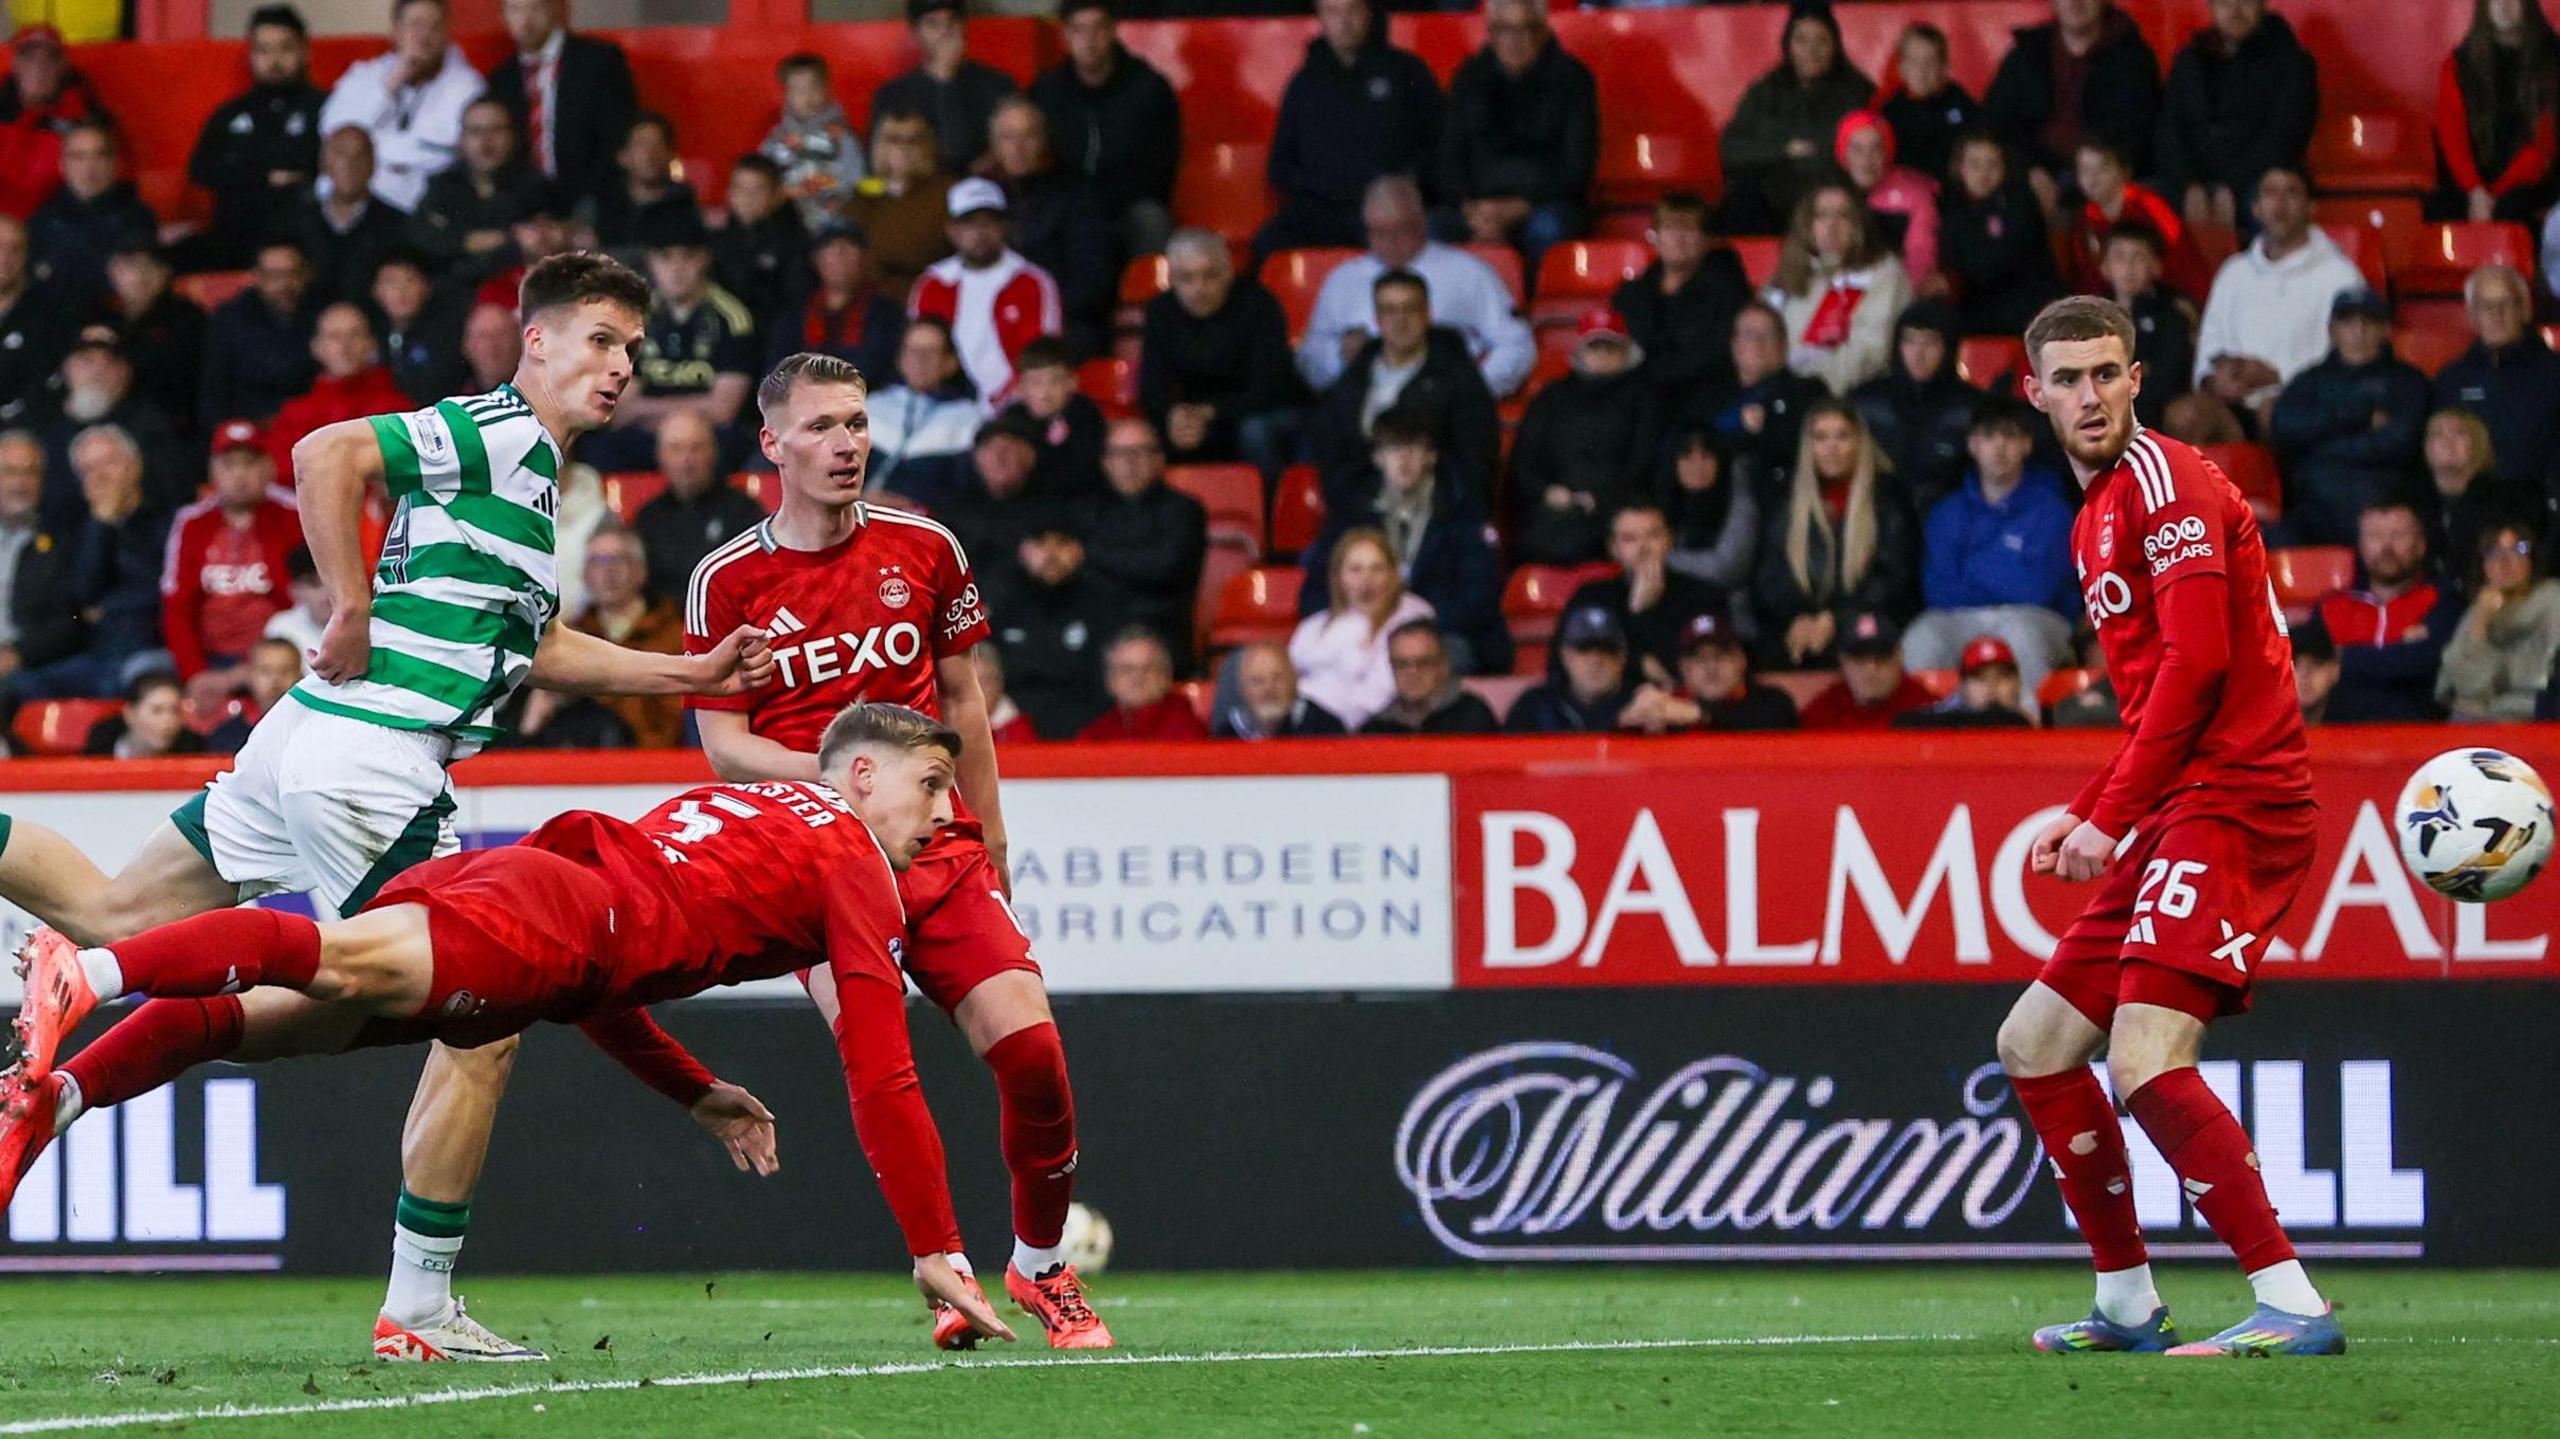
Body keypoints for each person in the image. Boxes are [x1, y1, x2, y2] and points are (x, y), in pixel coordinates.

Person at [0, 252, 775, 1363]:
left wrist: (686, 676)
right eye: (601, 339)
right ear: (536, 339)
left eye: (633, 350)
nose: (621, 366)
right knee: (480, 1023)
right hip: (378, 757)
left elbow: (537, 643)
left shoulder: (530, 481)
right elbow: (327, 451)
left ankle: (68, 1068)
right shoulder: (499, 429)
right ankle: (416, 1305)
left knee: (130, 916)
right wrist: (349, 603)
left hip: (309, 734)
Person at [0, 701, 1015, 1354]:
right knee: (332, 959)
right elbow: (881, 1066)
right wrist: (937, 1245)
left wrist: (691, 1087)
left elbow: (598, 977)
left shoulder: (762, 808)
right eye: (930, 783)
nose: (944, 811)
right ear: (861, 774)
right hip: (552, 914)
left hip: (539, 895)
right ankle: (87, 970)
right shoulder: (856, 863)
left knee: (282, 1021)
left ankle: (57, 1097)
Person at [674, 355, 1108, 1349]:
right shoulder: (726, 578)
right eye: (821, 426)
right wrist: (850, 780)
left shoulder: (925, 546)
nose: (846, 445)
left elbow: (963, 702)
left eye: (857, 423)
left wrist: (992, 835)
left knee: (1034, 1052)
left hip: (937, 845)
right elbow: (725, 744)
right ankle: (949, 1271)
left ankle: (1041, 1263)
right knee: (880, 1057)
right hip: (815, 857)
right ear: (772, 443)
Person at [2000, 294, 2341, 1359]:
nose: (2089, 395)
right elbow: (2156, 704)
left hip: (2237, 798)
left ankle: (2292, 1301)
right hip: (2178, 800)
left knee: (2146, 1054)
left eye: (2106, 372)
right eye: (2068, 378)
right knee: (2035, 1044)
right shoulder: (2092, 514)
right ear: (2034, 392)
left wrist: (2111, 816)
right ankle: (2125, 1303)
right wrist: (2093, 806)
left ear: (2137, 378)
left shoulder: (2168, 483)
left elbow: (2199, 668)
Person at [1299, 406, 1509, 675]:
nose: (1403, 458)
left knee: (1432, 658)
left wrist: (1410, 626)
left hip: (1441, 633)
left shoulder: (1463, 514)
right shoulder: (1350, 516)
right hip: (1364, 633)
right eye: (1393, 448)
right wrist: (1364, 624)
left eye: (1414, 448)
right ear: (1378, 457)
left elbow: (1479, 598)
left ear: (1431, 456)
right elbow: (1315, 593)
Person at [1298, 177, 1535, 400]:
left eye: (1399, 230)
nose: (1389, 242)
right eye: (1378, 232)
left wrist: (1469, 390)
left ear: (1421, 223)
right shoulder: (1342, 280)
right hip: (1361, 403)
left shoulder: (1469, 272)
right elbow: (1311, 353)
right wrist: (1340, 358)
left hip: (1442, 404)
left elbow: (1516, 344)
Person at [1902, 399, 2077, 699]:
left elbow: (2038, 591)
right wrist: (2007, 566)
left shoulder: (2052, 511)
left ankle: (2026, 722)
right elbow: (1938, 591)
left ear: (2026, 445)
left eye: (2010, 436)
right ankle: (1929, 726)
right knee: (1922, 637)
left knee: (2021, 634)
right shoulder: (1947, 513)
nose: (1999, 447)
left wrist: (1971, 566)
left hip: (2036, 618)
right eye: (1988, 436)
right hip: (1959, 618)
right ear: (1973, 445)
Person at [2178, 167, 2363, 444]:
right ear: (2256, 208)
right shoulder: (2234, 272)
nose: (2280, 204)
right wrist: (2215, 379)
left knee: (2274, 415)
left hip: (2303, 402)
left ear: (2310, 207)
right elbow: (2211, 343)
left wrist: (2277, 376)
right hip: (2235, 404)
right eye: (2270, 193)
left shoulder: (2340, 276)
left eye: (2291, 193)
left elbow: (2353, 355)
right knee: (2185, 416)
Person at [1256, 0, 1442, 259]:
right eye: (1333, 12)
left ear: (1369, 13)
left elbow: (1440, 147)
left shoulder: (1408, 72)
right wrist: (1323, 189)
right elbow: (1281, 166)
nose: (1344, 22)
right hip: (1321, 211)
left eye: (1353, 10)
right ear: (1320, 17)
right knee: (1269, 242)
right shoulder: (1304, 84)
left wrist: (1404, 185)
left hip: (1392, 208)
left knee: (1430, 230)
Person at [1305, 268, 1502, 507]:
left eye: (1410, 308)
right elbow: (1333, 454)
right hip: (1360, 507)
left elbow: (1475, 461)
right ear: (1377, 319)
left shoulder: (1459, 379)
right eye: (1389, 310)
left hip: (1437, 510)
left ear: (1427, 314)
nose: (1400, 320)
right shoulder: (1354, 378)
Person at [1752, 398, 1919, 670]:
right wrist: (1799, 617)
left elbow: (1894, 579)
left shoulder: (1888, 498)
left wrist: (1836, 618)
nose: (1832, 448)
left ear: (1859, 442)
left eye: (1842, 436)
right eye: (1820, 438)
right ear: (1808, 446)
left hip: (1868, 617)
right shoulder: (1787, 501)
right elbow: (1771, 574)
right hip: (1804, 621)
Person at [1435, 0, 1596, 271]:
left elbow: (1576, 168)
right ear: (1491, 32)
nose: (1515, 40)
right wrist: (1472, 210)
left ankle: (1535, 298)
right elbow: (1449, 156)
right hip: (1478, 207)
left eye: (1526, 29)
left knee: (1547, 229)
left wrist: (1519, 207)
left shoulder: (1573, 80)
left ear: (1543, 31)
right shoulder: (1469, 78)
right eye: (1505, 29)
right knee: (1433, 228)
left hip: (1544, 204)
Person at [596, 214, 758, 471]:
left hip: (710, 436)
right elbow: (621, 410)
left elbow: (724, 409)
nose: (676, 268)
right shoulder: (632, 318)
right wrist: (692, 408)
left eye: (687, 257)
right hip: (647, 437)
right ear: (651, 262)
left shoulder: (733, 319)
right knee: (602, 447)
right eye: (666, 257)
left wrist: (648, 411)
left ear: (704, 259)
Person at [2268, 288, 2429, 547]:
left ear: (2385, 330)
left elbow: (2399, 444)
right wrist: (2358, 417)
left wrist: (2317, 446)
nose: (2358, 331)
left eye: (2369, 322)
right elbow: (2284, 429)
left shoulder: (2408, 382)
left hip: (2382, 508)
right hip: (2314, 511)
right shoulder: (2308, 381)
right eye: (2348, 322)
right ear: (2332, 330)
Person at [1138, 228, 1301, 476]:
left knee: (1254, 430)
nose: (1199, 288)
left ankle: (1270, 499)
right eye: (1187, 278)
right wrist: (1174, 415)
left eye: (1210, 276)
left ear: (1228, 272)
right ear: (1171, 278)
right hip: (1196, 415)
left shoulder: (1259, 304)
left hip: (1261, 412)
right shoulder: (1160, 311)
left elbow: (1269, 388)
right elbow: (1152, 386)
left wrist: (1207, 412)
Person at [161, 419, 304, 698]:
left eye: (249, 463)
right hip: (207, 661)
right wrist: (195, 673)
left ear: (268, 467)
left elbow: (306, 599)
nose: (239, 475)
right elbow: (177, 608)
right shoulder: (192, 523)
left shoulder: (293, 515)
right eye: (228, 464)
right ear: (212, 470)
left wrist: (246, 671)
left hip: (279, 658)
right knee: (143, 671)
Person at [1508, 308, 1661, 567]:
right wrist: (1546, 492)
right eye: (1594, 347)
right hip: (1555, 509)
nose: (1602, 355)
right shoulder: (1551, 397)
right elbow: (1525, 459)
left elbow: (1643, 464)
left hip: (1616, 510)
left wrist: (1601, 499)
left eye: (1610, 348)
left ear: (1625, 352)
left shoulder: (1645, 400)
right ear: (1581, 351)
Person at [1028, 0, 1181, 259]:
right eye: (1079, 30)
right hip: (1065, 205)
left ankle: (1149, 287)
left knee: (1151, 220)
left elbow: (1160, 169)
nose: (1089, 40)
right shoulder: (1046, 92)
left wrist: (1100, 202)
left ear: (1113, 31)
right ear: (1065, 35)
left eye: (1097, 28)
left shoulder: (1149, 89)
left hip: (1127, 206)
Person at [2155, 0, 2319, 237]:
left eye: (2245, 2)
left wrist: (2230, 187)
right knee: (2139, 203)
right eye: (2225, 3)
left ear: (2261, 6)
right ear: (2212, 8)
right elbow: (2168, 132)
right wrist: (2189, 185)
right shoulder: (2189, 60)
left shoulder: (2293, 63)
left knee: (2273, 207)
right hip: (2191, 183)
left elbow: (2284, 140)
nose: (2235, 11)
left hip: (2255, 181)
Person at [185, 5, 327, 269]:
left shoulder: (327, 109)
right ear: (251, 56)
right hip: (236, 236)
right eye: (263, 50)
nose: (274, 60)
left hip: (303, 237)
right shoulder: (230, 113)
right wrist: (266, 177)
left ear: (305, 52)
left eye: (285, 48)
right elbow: (201, 169)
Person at [1719, 2, 1875, 236]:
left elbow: (1869, 155)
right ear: (1788, 45)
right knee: (1741, 197)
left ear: (1835, 45)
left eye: (1821, 41)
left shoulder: (1859, 92)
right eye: (1802, 40)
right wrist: (1785, 149)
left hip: (1833, 201)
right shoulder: (1765, 91)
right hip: (1772, 203)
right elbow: (1731, 151)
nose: (1811, 50)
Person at [909, 179, 1061, 413]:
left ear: (1005, 227)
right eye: (969, 223)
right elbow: (919, 353)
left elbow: (1040, 358)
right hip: (942, 408)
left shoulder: (1032, 281)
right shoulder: (933, 283)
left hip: (1017, 409)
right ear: (952, 230)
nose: (980, 232)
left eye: (990, 222)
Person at [318, 0, 483, 214]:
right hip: (359, 195)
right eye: (416, 24)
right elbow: (334, 133)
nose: (425, 35)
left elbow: (443, 151)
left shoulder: (467, 85)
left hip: (424, 199)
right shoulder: (365, 74)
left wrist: (373, 149)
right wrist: (393, 83)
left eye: (435, 25)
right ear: (396, 31)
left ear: (446, 33)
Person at [1980, 0, 2162, 194]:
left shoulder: (2133, 58)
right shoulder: (2027, 53)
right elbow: (1994, 124)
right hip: (2033, 174)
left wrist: (2091, 175)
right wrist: (2028, 171)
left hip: (2106, 177)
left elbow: (2138, 136)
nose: (2074, 2)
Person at [482, 0, 638, 210]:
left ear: (554, 9)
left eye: (535, 7)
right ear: (503, 18)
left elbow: (619, 135)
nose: (525, 20)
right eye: (515, 10)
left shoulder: (599, 60)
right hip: (525, 206)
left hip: (593, 200)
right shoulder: (501, 79)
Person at [2314, 499, 2460, 722]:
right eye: (2375, 535)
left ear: (2420, 545)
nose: (2386, 546)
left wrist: (2344, 655)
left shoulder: (2444, 601)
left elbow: (2428, 662)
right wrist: (2401, 650)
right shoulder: (2330, 606)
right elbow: (2312, 667)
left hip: (2421, 729)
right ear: (2360, 546)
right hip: (2340, 729)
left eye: (2398, 535)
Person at [984, 99, 1111, 353]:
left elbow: (1092, 279)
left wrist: (1038, 310)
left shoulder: (1077, 194)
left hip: (1063, 322)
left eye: (1028, 136)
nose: (1018, 147)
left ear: (1043, 140)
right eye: (1008, 137)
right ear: (994, 145)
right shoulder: (982, 195)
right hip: (992, 321)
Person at [1763, 182, 1912, 397]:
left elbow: (1871, 353)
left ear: (1858, 224)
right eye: (1821, 215)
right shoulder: (1788, 272)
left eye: (1843, 216)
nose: (1831, 225)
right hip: (1778, 395)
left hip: (1847, 398)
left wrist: (1804, 390)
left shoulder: (1883, 272)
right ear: (1807, 223)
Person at [1612, 190, 1752, 409]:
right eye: (1669, 228)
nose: (1678, 237)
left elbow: (1716, 355)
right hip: (1640, 399)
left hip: (1704, 400)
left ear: (1706, 239)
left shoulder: (1729, 290)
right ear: (1655, 237)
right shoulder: (1632, 293)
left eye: (1688, 228)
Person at [1081, 416, 1205, 662]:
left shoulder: (1184, 510)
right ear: (1106, 462)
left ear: (1159, 459)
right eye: (1120, 453)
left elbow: (1163, 568)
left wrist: (1089, 555)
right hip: (1096, 631)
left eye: (1140, 452)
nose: (1130, 462)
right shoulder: (1087, 511)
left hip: (1160, 634)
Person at [2435, 262, 2560, 504]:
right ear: (2472, 316)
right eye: (2486, 306)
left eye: (2506, 303)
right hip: (2472, 508)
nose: (2497, 314)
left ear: (2525, 310)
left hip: (2543, 508)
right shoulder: (2452, 379)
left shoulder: (2555, 372)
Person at [987, 512, 1119, 738]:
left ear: (1080, 550)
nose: (1050, 554)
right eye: (1040, 543)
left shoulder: (1102, 606)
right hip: (1012, 734)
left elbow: (1108, 685)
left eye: (1063, 543)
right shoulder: (1001, 608)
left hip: (1087, 734)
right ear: (1023, 550)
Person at [1562, 503, 1722, 688]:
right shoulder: (1590, 597)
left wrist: (1643, 616)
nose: (1643, 548)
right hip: (1610, 702)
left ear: (1669, 541)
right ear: (1613, 548)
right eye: (1629, 539)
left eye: (1653, 536)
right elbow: (1563, 669)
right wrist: (1636, 615)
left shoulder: (1702, 595)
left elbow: (1691, 673)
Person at [1290, 525, 1432, 729]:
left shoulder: (1412, 615)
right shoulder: (1314, 626)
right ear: (1339, 577)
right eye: (1355, 569)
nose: (1366, 579)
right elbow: (1288, 679)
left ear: (1393, 574)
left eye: (1377, 568)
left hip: (1373, 727)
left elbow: (1383, 691)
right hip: (1303, 719)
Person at [2431, 0, 2560, 224]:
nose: (2503, 5)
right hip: (2473, 183)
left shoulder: (2552, 59)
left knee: (2512, 210)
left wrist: (2494, 197)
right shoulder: (2460, 63)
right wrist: (2475, 191)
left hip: (2532, 182)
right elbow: (2452, 136)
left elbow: (2543, 146)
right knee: (2437, 209)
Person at [555, 524, 682, 748]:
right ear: (584, 575)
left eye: (619, 559)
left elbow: (671, 724)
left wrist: (589, 683)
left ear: (641, 571)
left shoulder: (673, 635)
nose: (608, 571)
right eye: (597, 561)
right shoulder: (569, 636)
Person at [1849, 299, 1979, 513]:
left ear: (1948, 348)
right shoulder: (1866, 402)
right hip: (1874, 516)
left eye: (1930, 343)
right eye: (1909, 341)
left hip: (1948, 520)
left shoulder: (1972, 409)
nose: (1918, 354)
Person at [408, 99, 548, 286]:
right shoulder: (442, 185)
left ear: (512, 136)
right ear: (461, 139)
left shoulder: (535, 187)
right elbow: (421, 235)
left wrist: (456, 237)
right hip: (448, 292)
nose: (486, 141)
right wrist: (471, 240)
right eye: (476, 131)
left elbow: (534, 244)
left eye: (496, 129)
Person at [871, 0, 1018, 177]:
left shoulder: (998, 84)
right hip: (918, 188)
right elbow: (880, 162)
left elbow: (1015, 147)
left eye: (952, 21)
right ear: (916, 32)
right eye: (933, 24)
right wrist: (945, 79)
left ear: (964, 26)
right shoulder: (893, 93)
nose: (945, 32)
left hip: (986, 185)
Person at [1940, 130, 2062, 340]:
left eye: (1992, 165)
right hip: (1973, 311)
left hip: (2025, 312)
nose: (1984, 173)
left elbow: (2000, 262)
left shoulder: (2019, 204)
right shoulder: (1950, 208)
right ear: (1960, 167)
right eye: (1975, 164)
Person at [632, 409, 762, 604]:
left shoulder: (744, 511)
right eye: (675, 449)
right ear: (659, 456)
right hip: (663, 618)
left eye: (696, 448)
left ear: (714, 453)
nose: (686, 460)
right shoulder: (647, 518)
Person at [1702, 300, 1830, 497]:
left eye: (1767, 335)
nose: (1757, 343)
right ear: (1734, 344)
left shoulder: (1807, 391)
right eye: (1748, 334)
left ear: (1783, 345)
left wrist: (1764, 428)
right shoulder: (1711, 396)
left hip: (1782, 497)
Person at [2061, 139, 2210, 304]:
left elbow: (2185, 258)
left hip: (2166, 300)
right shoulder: (2084, 220)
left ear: (2124, 171)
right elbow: (2084, 278)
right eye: (2085, 171)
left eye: (2102, 169)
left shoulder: (2151, 205)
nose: (2093, 179)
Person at [267, 304, 414, 469]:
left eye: (354, 335)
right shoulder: (294, 416)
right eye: (334, 337)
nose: (345, 346)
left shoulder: (397, 411)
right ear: (316, 347)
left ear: (372, 344)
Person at [28, 122, 155, 311]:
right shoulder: (42, 219)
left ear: (114, 164)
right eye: (78, 156)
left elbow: (134, 284)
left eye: (100, 155)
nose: (90, 166)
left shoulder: (138, 217)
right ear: (62, 165)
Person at [2440, 521, 2560, 720]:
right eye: (2493, 552)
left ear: (2531, 560)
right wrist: (2481, 621)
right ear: (2483, 565)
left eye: (2518, 550)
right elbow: (2466, 686)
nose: (2505, 561)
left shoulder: (2553, 600)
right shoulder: (2479, 608)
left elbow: (2544, 679)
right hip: (2477, 719)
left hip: (2534, 718)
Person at [2417, 408, 2538, 591]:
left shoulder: (2508, 499)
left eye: (2459, 433)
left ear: (2478, 443)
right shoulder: (2416, 503)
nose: (2447, 441)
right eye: (2437, 434)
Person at [0, 26, 111, 222]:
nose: (39, 67)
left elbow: (105, 185)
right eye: (29, 57)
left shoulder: (86, 119)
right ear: (15, 64)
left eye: (50, 58)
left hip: (60, 227)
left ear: (63, 67)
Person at [772, 218, 903, 382]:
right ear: (816, 260)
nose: (839, 252)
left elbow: (877, 369)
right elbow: (778, 373)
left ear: (866, 257)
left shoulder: (887, 315)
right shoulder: (794, 317)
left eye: (850, 245)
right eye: (829, 246)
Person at [293, 126, 410, 310]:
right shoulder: (296, 222)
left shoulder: (398, 226)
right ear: (324, 164)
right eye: (341, 154)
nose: (350, 164)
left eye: (360, 156)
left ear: (373, 164)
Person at [845, 108, 955, 302]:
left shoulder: (948, 192)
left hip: (935, 295)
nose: (904, 148)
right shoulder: (863, 196)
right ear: (879, 145)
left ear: (928, 145)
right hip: (874, 300)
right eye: (894, 139)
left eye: (913, 140)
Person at [103, 241, 210, 438]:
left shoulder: (187, 318)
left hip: (168, 423)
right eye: (130, 265)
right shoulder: (101, 318)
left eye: (151, 266)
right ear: (112, 271)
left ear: (165, 273)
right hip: (107, 422)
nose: (141, 275)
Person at [2098, 222, 2196, 431]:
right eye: (2120, 257)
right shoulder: (2091, 315)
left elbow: (2169, 374)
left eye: (2139, 257)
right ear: (2105, 267)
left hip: (2154, 410)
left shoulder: (2172, 313)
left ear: (2156, 267)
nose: (2129, 267)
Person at [867, 316, 980, 496]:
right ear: (900, 358)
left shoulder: (969, 419)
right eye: (913, 350)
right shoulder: (871, 406)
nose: (920, 360)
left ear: (950, 363)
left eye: (931, 352)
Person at [0, 431, 80, 683]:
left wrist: (18, 653)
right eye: (10, 472)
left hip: (24, 666)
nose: (20, 483)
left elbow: (73, 618)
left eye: (30, 472)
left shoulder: (62, 541)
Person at [1836, 110, 1940, 292]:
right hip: (1842, 287)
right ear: (1843, 153)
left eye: (1875, 149)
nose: (1866, 159)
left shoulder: (1915, 195)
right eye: (1857, 149)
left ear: (1887, 152)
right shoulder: (1830, 194)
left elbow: (1920, 255)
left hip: (1894, 289)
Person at [760, 53, 866, 229]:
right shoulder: (776, 140)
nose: (807, 96)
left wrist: (838, 202)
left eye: (813, 87)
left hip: (834, 227)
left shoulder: (843, 137)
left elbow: (858, 184)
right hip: (787, 226)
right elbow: (763, 185)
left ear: (826, 88)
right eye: (798, 90)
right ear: (786, 94)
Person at [921, 413, 1045, 562]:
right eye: (994, 450)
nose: (1000, 459)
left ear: (1030, 457)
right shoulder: (952, 505)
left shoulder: (1048, 504)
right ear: (977, 457)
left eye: (1009, 451)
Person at [1503, 605, 1639, 734]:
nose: (1595, 660)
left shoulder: (1640, 704)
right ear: (1565, 655)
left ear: (1623, 657)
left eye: (1607, 649)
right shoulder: (1534, 706)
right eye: (1583, 649)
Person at [713, 156, 808, 336]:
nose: (747, 198)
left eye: (757, 190)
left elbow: (796, 301)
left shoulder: (795, 243)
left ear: (777, 196)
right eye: (739, 188)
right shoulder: (716, 241)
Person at [585, 113, 699, 260]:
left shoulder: (689, 205)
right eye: (641, 144)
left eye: (658, 144)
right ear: (622, 156)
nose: (649, 154)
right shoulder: (597, 205)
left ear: (671, 154)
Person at [1660, 426, 1758, 597]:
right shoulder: (1662, 502)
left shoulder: (1740, 497)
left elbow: (1727, 568)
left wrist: (1660, 559)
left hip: (1728, 604)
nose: (1697, 466)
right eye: (1686, 456)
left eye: (1706, 456)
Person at [999, 340, 1103, 500]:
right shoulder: (1011, 422)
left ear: (1072, 383)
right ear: (1020, 387)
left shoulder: (1087, 417)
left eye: (1055, 381)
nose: (1045, 393)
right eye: (1035, 382)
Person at [1875, 22, 1978, 182]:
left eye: (1931, 61)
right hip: (1907, 190)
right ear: (1901, 67)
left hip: (1954, 189)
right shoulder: (1890, 112)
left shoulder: (1960, 104)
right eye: (1913, 61)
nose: (1921, 70)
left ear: (1944, 67)